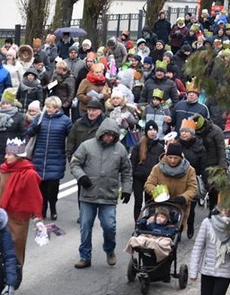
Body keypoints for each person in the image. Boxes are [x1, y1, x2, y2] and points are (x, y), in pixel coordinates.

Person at [70, 119, 132, 268]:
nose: (109, 138)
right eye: (107, 134)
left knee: (109, 226)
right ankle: (85, 256)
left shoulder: (120, 149)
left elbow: (126, 171)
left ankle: (109, 249)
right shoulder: (87, 146)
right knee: (85, 226)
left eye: (112, 135)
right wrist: (81, 177)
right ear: (101, 133)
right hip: (88, 194)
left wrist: (127, 189)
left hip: (108, 195)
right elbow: (75, 163)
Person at [0, 139, 42, 286]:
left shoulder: (29, 174)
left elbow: (35, 197)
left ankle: (15, 277)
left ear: (18, 156)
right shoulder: (4, 169)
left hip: (18, 218)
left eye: (9, 154)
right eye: (6, 154)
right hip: (1, 215)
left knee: (15, 250)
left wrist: (38, 219)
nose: (6, 157)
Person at [27, 96, 72, 220]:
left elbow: (71, 137)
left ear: (57, 108)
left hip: (56, 157)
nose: (47, 109)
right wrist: (34, 128)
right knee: (41, 188)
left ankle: (53, 207)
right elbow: (29, 132)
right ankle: (42, 209)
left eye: (50, 107)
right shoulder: (40, 118)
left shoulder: (65, 121)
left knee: (53, 188)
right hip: (40, 157)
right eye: (46, 106)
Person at [144, 142, 198, 232]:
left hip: (179, 207)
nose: (172, 161)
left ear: (180, 157)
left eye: (175, 158)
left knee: (175, 234)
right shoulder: (157, 168)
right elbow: (149, 184)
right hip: (160, 206)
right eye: (170, 158)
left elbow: (192, 187)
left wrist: (184, 197)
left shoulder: (189, 170)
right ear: (166, 156)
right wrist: (157, 192)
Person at [129, 121, 165, 220]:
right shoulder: (139, 145)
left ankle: (149, 222)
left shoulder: (160, 148)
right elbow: (133, 162)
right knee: (138, 202)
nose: (152, 132)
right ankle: (137, 223)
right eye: (150, 130)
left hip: (152, 179)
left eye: (154, 130)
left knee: (150, 203)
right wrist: (133, 174)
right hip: (139, 178)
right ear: (146, 131)